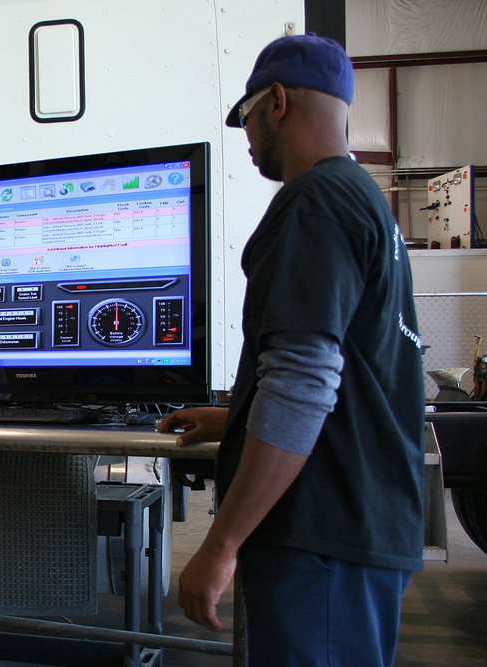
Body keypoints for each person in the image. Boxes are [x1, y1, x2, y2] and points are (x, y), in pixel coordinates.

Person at [157, 35, 425, 666]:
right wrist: (236, 418)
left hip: (320, 533)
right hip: (359, 527)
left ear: (276, 102)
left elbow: (303, 381)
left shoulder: (315, 201)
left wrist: (221, 544)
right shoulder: (366, 201)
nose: (246, 139)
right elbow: (354, 373)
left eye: (246, 118)